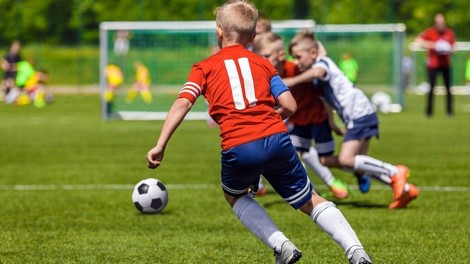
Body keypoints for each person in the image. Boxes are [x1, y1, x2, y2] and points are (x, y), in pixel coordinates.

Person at [146, 1, 371, 263]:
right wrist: (268, 122)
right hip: (277, 138)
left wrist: (161, 144)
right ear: (253, 36)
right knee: (309, 199)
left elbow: (183, 102)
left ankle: (282, 246)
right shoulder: (263, 64)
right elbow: (289, 105)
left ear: (219, 31)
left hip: (238, 145)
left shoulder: (203, 67)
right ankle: (356, 251)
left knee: (234, 195)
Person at [283, 30, 419, 209]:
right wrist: (332, 123)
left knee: (347, 159)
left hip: (359, 112)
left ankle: (395, 171)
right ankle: (406, 190)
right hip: (356, 115)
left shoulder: (322, 64)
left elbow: (318, 71)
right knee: (343, 162)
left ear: (313, 53)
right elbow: (326, 100)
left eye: (299, 57)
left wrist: (292, 81)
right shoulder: (316, 68)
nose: (296, 62)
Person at [253, 32, 351, 200]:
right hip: (298, 122)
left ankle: (355, 170)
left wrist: (331, 120)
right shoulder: (265, 74)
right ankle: (312, 190)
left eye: (266, 55)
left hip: (318, 119)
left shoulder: (296, 68)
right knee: (292, 154)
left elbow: (321, 87)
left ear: (281, 55)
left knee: (326, 159)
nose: (263, 59)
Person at [415, 13, 456, 117]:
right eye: (438, 22)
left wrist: (447, 49)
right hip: (433, 65)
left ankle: (449, 111)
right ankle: (429, 112)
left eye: (442, 22)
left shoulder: (449, 32)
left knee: (448, 88)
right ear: (436, 23)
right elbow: (418, 41)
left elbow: (454, 47)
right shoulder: (430, 32)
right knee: (431, 88)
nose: (440, 24)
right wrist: (434, 45)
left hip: (445, 64)